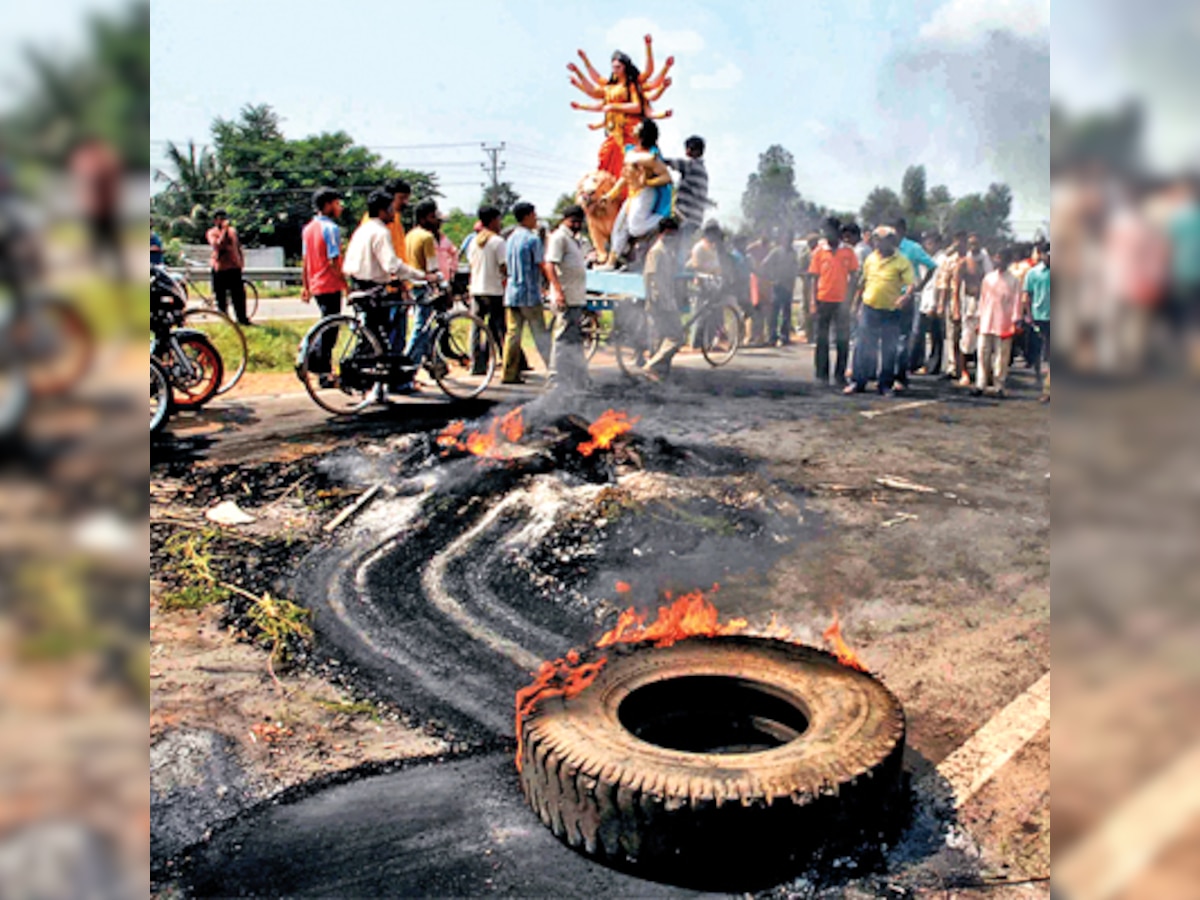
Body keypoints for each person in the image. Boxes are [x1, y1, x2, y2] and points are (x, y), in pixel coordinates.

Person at [342, 189, 431, 396]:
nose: (394, 212)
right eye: (391, 208)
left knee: (374, 336)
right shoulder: (381, 232)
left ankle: (378, 389)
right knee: (382, 340)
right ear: (382, 211)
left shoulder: (362, 229)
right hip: (374, 288)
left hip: (359, 284)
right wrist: (422, 276)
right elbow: (392, 264)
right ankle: (372, 384)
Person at [846, 226, 915, 395]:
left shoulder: (902, 261)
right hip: (870, 308)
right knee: (863, 346)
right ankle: (858, 382)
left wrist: (905, 296)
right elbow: (864, 282)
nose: (877, 243)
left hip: (891, 311)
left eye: (881, 240)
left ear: (891, 242)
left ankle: (884, 384)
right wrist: (856, 304)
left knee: (889, 349)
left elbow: (911, 284)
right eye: (876, 240)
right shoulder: (870, 259)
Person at [606, 119, 673, 266]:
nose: (634, 127)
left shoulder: (651, 156)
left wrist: (647, 182)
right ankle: (611, 262)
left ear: (644, 133)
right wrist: (611, 194)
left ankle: (661, 220)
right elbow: (625, 176)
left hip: (645, 194)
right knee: (619, 228)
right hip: (632, 195)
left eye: (638, 126)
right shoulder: (630, 151)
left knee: (636, 228)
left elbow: (667, 177)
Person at [300, 188, 348, 384]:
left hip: (316, 284)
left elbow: (305, 260)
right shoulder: (331, 229)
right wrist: (346, 284)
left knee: (326, 326)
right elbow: (333, 260)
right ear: (328, 205)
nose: (340, 207)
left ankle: (319, 366)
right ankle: (318, 367)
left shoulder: (308, 228)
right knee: (330, 331)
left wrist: (305, 285)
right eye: (337, 203)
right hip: (329, 283)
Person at [502, 202, 552, 384]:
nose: (536, 218)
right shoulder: (532, 239)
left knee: (513, 334)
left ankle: (509, 373)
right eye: (534, 215)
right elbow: (541, 264)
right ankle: (553, 371)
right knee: (540, 334)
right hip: (530, 293)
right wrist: (551, 283)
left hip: (512, 292)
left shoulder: (510, 238)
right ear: (527, 216)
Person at [400, 199, 447, 390]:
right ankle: (407, 372)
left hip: (411, 284)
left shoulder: (409, 235)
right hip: (423, 285)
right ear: (424, 218)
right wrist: (444, 285)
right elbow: (433, 267)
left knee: (422, 328)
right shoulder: (427, 238)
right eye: (433, 216)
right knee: (421, 329)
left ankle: (432, 363)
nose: (436, 221)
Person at [809, 218, 860, 386]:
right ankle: (821, 375)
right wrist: (812, 301)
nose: (827, 234)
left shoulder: (848, 251)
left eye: (830, 230)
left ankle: (840, 374)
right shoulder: (819, 251)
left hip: (842, 302)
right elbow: (814, 278)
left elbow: (854, 276)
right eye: (825, 231)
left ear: (838, 231)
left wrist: (851, 298)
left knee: (842, 339)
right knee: (822, 339)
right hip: (823, 300)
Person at [545, 205, 590, 390]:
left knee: (575, 339)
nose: (577, 224)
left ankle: (579, 378)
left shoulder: (575, 240)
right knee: (562, 338)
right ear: (565, 219)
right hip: (565, 296)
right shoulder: (559, 238)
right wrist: (558, 292)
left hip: (576, 296)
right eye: (573, 221)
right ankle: (555, 380)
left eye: (579, 221)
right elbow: (549, 266)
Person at [893, 218, 938, 387]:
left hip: (906, 298)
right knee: (888, 338)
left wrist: (920, 285)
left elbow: (932, 266)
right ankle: (887, 374)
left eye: (895, 231)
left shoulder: (913, 248)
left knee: (903, 338)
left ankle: (900, 376)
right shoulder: (886, 248)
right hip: (887, 298)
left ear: (902, 230)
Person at [641, 217, 685, 379]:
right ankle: (651, 366)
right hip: (659, 302)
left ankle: (658, 373)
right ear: (662, 233)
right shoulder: (657, 251)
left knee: (661, 339)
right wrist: (653, 301)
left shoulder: (668, 251)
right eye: (669, 233)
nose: (672, 237)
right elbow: (649, 278)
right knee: (676, 337)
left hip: (667, 300)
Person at [975, 246, 1022, 396]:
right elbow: (982, 300)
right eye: (997, 258)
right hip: (986, 321)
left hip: (1004, 323)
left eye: (1002, 259)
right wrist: (979, 319)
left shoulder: (1013, 280)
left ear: (1008, 262)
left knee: (1001, 357)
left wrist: (1015, 321)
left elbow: (1017, 302)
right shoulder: (988, 278)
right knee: (983, 354)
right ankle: (980, 384)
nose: (998, 261)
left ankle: (999, 386)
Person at [467, 206, 507, 376]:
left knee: (476, 327)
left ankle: (476, 362)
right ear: (492, 220)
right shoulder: (498, 242)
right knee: (497, 327)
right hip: (494, 289)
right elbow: (504, 266)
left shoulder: (473, 241)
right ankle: (505, 360)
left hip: (476, 288)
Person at [953, 233, 993, 385]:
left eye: (976, 243)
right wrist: (956, 309)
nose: (973, 246)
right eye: (971, 244)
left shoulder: (986, 261)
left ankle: (984, 373)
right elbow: (956, 288)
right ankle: (964, 372)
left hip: (986, 303)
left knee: (985, 341)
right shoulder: (963, 263)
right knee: (967, 340)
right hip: (969, 303)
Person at [665, 136, 710, 256]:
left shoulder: (691, 165)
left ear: (694, 150)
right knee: (683, 247)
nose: (686, 151)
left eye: (688, 148)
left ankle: (678, 271)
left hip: (686, 216)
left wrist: (656, 156)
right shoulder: (703, 170)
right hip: (695, 217)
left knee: (680, 248)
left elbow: (670, 162)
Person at [205, 209, 249, 325]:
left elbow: (237, 247)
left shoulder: (232, 231)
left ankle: (242, 319)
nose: (223, 221)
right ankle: (226, 320)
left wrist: (241, 261)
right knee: (221, 297)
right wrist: (224, 230)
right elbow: (218, 245)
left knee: (238, 296)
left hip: (234, 268)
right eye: (220, 219)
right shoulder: (211, 233)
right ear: (215, 221)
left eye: (224, 218)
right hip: (220, 269)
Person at [912, 231, 947, 375]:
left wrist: (937, 304)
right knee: (919, 333)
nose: (927, 245)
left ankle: (934, 365)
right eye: (925, 242)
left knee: (935, 335)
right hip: (924, 299)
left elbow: (939, 283)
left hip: (935, 300)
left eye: (930, 242)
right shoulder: (925, 258)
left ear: (937, 243)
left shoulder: (943, 259)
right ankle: (918, 362)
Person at [1023, 242, 1052, 395]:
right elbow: (1027, 295)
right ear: (1041, 255)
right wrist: (1028, 315)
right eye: (1047, 254)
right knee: (1036, 349)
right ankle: (1038, 377)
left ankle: (1049, 383)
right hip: (1037, 316)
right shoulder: (1033, 273)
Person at [763, 232, 799, 347]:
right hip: (777, 285)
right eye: (787, 238)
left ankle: (785, 337)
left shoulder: (793, 253)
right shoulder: (776, 252)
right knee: (774, 312)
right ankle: (772, 337)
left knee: (786, 313)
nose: (789, 241)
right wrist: (771, 277)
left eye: (791, 239)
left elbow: (795, 267)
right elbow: (765, 264)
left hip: (788, 285)